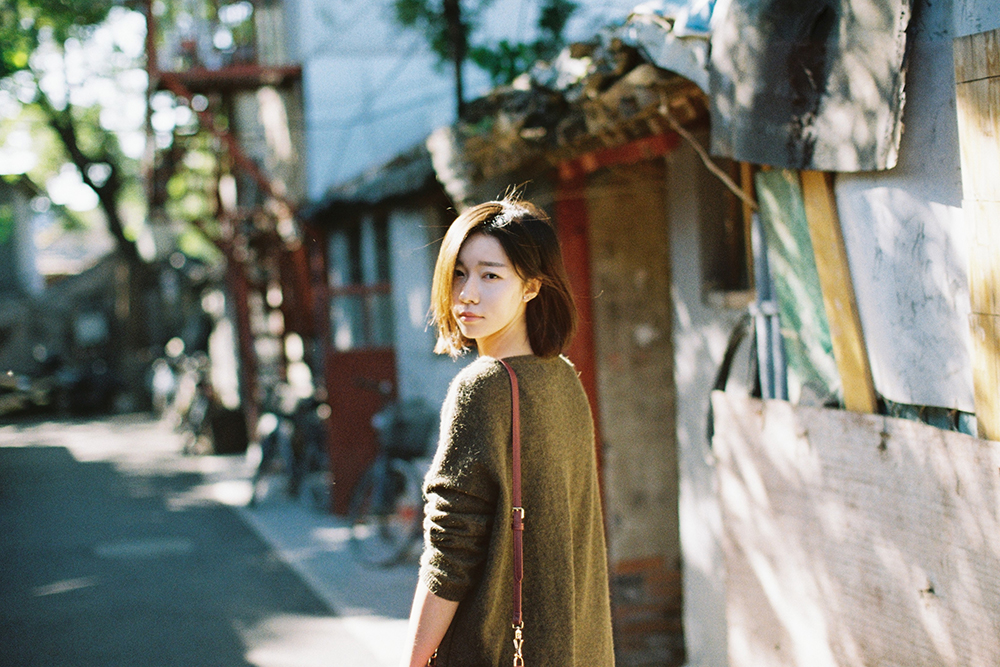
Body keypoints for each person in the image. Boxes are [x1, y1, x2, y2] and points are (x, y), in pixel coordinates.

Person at [399, 197, 615, 666]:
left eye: (490, 276)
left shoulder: (483, 387)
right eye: (459, 273)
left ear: (531, 287)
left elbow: (450, 552)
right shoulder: (563, 377)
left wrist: (411, 661)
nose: (467, 294)